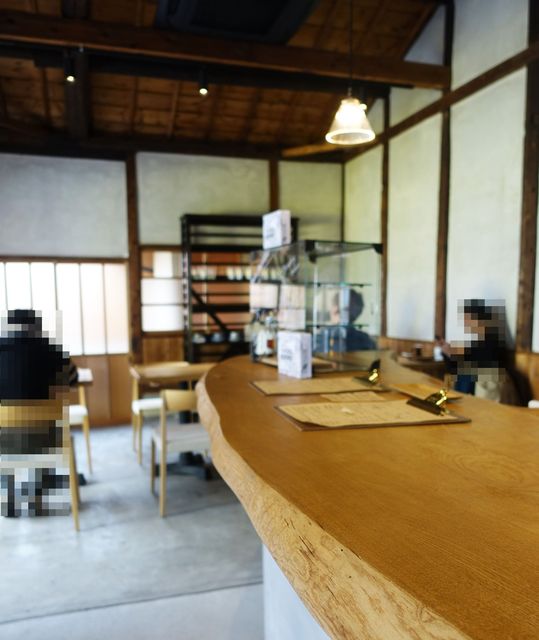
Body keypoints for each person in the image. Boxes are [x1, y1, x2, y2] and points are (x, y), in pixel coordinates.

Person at [0, 309, 70, 516]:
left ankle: (8, 497)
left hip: (4, 439)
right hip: (43, 439)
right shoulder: (50, 349)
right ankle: (36, 496)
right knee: (51, 427)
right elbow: (72, 378)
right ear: (36, 328)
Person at [438, 299, 510, 400]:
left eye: (469, 319)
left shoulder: (493, 340)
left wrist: (452, 354)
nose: (466, 323)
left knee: (465, 375)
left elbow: (483, 364)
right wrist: (448, 352)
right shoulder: (479, 340)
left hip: (487, 385)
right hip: (475, 381)